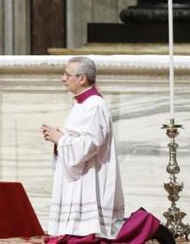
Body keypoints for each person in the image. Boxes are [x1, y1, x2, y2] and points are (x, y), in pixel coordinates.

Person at [41, 56, 174, 244]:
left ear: (82, 78)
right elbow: (80, 136)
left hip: (92, 174)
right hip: (83, 174)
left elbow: (92, 143)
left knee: (102, 233)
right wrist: (59, 136)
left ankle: (150, 226)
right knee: (91, 233)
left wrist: (60, 139)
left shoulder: (95, 105)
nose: (63, 78)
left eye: (67, 74)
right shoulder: (81, 104)